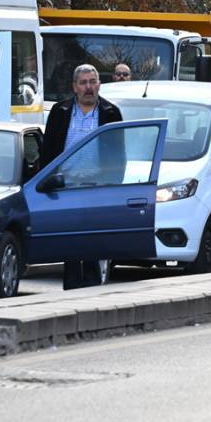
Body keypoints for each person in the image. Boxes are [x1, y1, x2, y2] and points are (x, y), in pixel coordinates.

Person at [40, 64, 123, 290]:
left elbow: (119, 156)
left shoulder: (110, 113)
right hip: (66, 187)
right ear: (74, 87)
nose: (89, 87)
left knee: (94, 240)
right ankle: (72, 286)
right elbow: (48, 152)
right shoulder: (61, 111)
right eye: (83, 83)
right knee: (70, 240)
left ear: (99, 84)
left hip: (96, 187)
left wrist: (113, 188)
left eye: (92, 82)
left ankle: (93, 287)